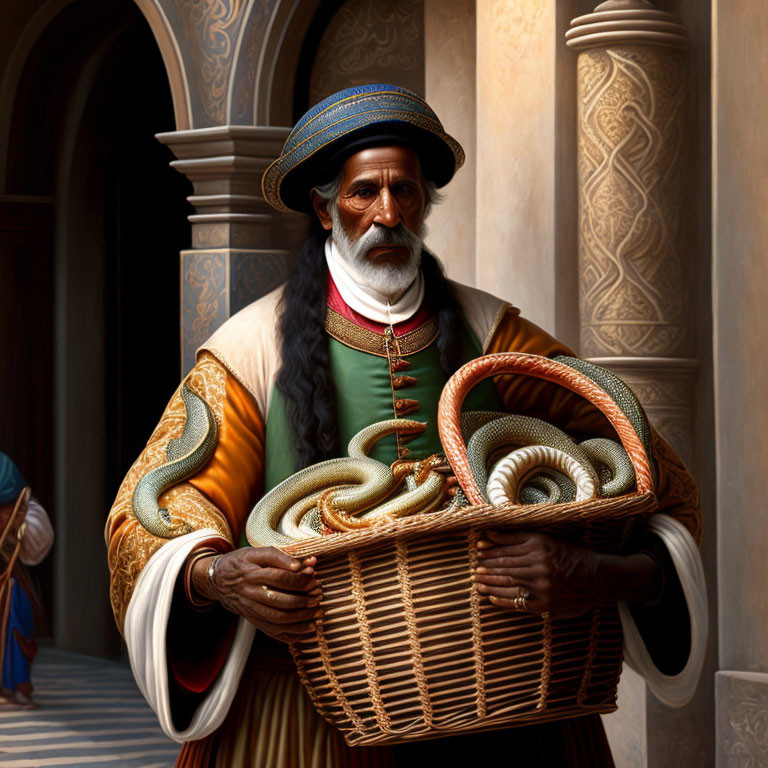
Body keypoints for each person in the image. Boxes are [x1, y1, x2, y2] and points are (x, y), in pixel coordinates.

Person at [105, 84, 706, 767]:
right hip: (308, 713)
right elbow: (153, 509)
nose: (387, 214)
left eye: (405, 192)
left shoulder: (498, 334)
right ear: (324, 206)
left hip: (505, 700)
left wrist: (595, 572)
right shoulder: (247, 352)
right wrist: (214, 575)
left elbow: (652, 469)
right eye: (365, 193)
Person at [0, 451, 54, 707]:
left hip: (12, 578)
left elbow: (34, 536)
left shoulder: (24, 507)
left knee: (17, 629)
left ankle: (18, 687)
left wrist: (17, 525)